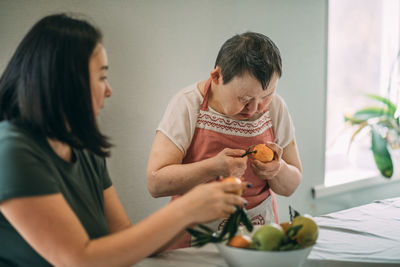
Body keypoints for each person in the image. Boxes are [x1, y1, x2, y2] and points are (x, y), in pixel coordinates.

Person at [0, 14, 248, 266]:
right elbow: (78, 259)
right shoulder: (11, 151)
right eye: (101, 77)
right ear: (63, 81)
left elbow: (126, 239)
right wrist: (185, 209)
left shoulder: (85, 150)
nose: (109, 90)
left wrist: (194, 212)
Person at [147, 32, 302, 249]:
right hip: (196, 240)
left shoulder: (276, 108)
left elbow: (291, 185)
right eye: (245, 99)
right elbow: (155, 183)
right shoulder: (187, 105)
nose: (256, 108)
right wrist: (213, 167)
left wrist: (277, 169)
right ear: (217, 77)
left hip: (259, 236)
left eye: (266, 96)